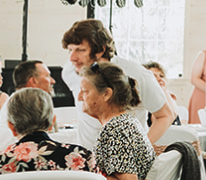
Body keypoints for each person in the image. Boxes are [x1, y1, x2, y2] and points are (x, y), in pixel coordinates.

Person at [61, 19, 172, 149]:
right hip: (87, 159)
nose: (72, 58)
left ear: (101, 50)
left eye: (80, 50)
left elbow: (165, 115)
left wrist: (141, 148)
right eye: (70, 50)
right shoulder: (71, 70)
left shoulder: (138, 75)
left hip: (126, 160)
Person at [78, 61, 157, 180]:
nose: (80, 97)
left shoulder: (116, 129)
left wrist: (83, 177)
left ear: (106, 94)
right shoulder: (128, 122)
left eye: (85, 91)